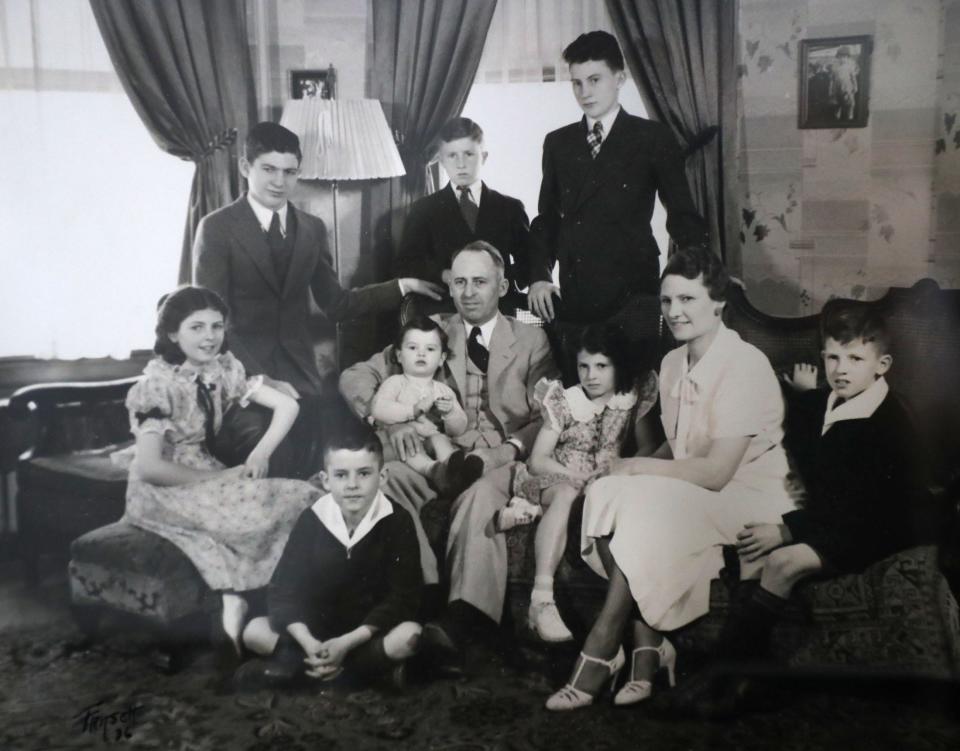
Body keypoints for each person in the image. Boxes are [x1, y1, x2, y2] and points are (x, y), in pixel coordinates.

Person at [545, 246, 795, 711]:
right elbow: (678, 448)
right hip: (689, 482)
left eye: (688, 300)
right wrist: (624, 468)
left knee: (645, 505)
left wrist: (641, 467)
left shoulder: (745, 365)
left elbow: (718, 472)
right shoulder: (674, 365)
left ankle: (604, 641)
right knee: (606, 491)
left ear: (718, 303)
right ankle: (648, 643)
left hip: (746, 492)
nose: (675, 312)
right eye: (667, 301)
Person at [676, 301, 931, 718]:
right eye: (832, 356)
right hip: (834, 515)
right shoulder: (828, 402)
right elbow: (810, 450)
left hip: (876, 527)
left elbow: (859, 507)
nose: (840, 368)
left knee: (783, 562)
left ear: (881, 364)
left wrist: (789, 531)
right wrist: (801, 395)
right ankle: (753, 677)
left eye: (854, 358)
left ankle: (720, 674)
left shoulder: (887, 424)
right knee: (749, 547)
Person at [339, 241, 558, 666]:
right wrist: (391, 418)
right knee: (392, 478)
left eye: (480, 281)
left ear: (503, 286)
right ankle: (421, 596)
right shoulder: (433, 332)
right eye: (459, 282)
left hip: (501, 456)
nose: (469, 292)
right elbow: (357, 375)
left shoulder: (532, 339)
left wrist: (507, 450)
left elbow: (546, 414)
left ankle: (464, 620)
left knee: (477, 496)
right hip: (440, 455)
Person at [193, 122, 442, 475]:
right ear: (246, 168)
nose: (279, 182)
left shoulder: (311, 229)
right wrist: (259, 380)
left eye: (289, 172)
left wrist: (402, 285)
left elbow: (338, 304)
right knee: (272, 463)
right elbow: (211, 327)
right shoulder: (217, 228)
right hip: (241, 383)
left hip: (303, 378)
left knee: (332, 463)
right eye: (268, 169)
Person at [117, 286, 317, 659]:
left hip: (212, 473)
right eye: (196, 327)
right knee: (260, 511)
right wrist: (219, 479)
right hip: (164, 488)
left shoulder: (224, 370)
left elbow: (287, 406)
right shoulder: (155, 386)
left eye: (216, 326)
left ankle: (255, 607)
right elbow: (149, 467)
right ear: (173, 334)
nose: (209, 337)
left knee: (304, 496)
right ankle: (234, 604)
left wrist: (260, 454)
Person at [234, 420, 423, 689]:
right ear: (325, 480)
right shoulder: (313, 519)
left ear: (382, 477)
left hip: (364, 633)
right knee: (254, 631)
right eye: (341, 475)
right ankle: (354, 673)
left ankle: (298, 673)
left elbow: (403, 597)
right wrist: (309, 642)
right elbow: (283, 590)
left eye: (364, 473)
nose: (352, 485)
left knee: (410, 636)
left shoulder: (397, 520)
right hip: (317, 632)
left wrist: (347, 642)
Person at [501, 323, 660, 643]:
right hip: (554, 476)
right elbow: (538, 459)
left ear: (618, 365)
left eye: (602, 366)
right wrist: (573, 477)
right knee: (565, 492)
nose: (591, 376)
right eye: (584, 366)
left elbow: (647, 446)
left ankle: (633, 622)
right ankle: (541, 600)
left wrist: (621, 470)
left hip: (604, 480)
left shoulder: (630, 395)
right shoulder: (565, 400)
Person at [394, 117, 530, 310]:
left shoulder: (510, 208)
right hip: (444, 312)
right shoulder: (423, 210)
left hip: (498, 312)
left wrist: (496, 278)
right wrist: (443, 274)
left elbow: (527, 266)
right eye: (452, 156)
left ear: (484, 157)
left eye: (468, 154)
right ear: (441, 161)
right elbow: (406, 264)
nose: (461, 164)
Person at [371, 316, 483, 495]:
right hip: (401, 443)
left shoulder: (443, 390)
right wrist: (413, 410)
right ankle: (433, 471)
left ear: (441, 358)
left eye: (430, 349)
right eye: (413, 348)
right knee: (410, 445)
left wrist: (451, 412)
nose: (421, 353)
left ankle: (453, 472)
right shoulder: (395, 383)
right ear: (399, 355)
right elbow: (379, 409)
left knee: (441, 440)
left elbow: (459, 428)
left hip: (430, 442)